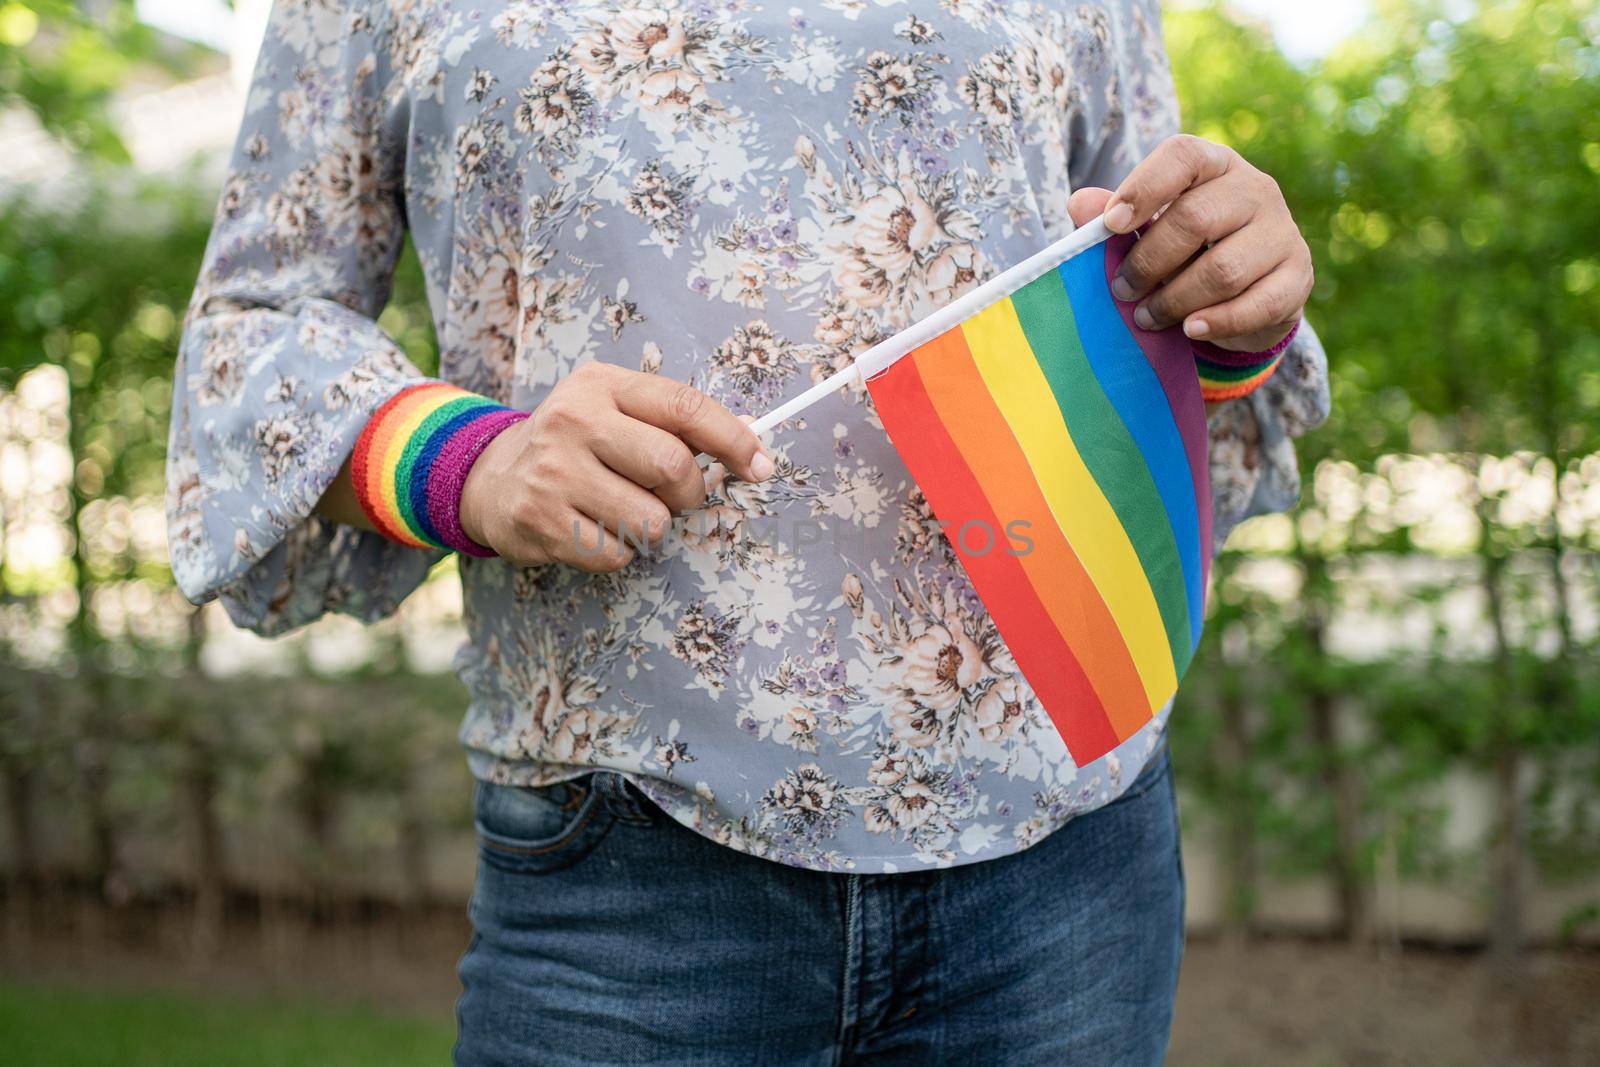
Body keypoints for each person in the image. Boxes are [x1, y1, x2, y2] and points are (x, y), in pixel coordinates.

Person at [167, 2, 1329, 1063]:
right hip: (623, 883)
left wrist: (1234, 298)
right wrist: (464, 461)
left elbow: (1136, 285)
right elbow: (252, 333)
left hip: (1062, 870)